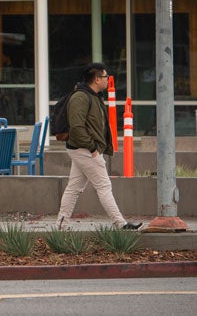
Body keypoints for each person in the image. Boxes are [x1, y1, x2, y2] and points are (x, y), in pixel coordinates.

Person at [56, 62, 142, 231]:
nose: (107, 79)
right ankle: (121, 224)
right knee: (104, 186)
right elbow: (77, 127)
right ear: (96, 79)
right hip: (85, 150)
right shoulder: (81, 97)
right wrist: (93, 148)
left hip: (85, 149)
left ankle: (61, 225)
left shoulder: (94, 96)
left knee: (74, 188)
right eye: (105, 77)